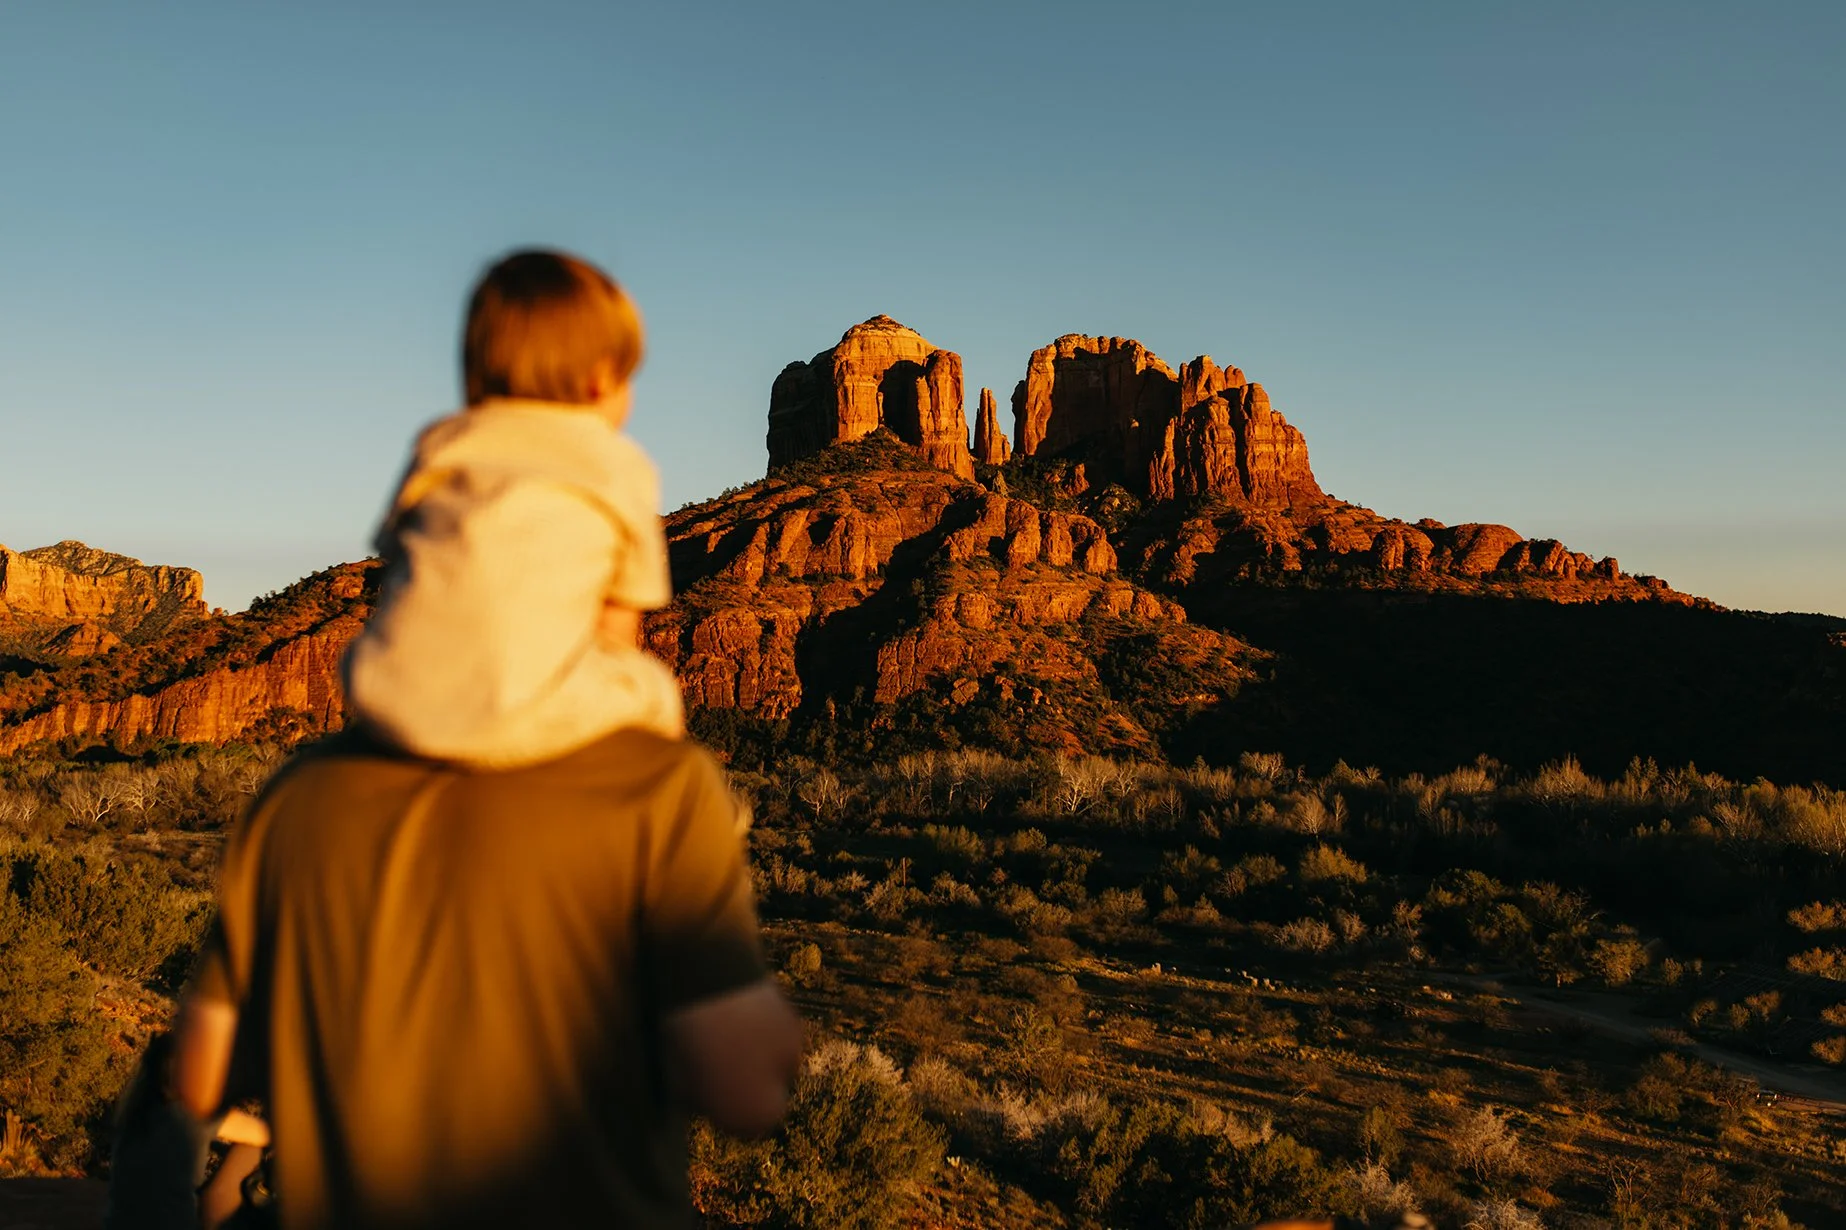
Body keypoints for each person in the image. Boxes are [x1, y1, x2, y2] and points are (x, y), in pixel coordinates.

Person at [159, 250, 803, 1230]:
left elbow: (200, 1072)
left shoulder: (299, 797)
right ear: (602, 382)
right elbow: (750, 1095)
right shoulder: (652, 790)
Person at [341, 248, 685, 767]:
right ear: (600, 380)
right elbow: (617, 630)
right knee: (655, 690)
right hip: (531, 722)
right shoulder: (619, 464)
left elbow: (397, 562)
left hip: (391, 703)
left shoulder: (441, 444)